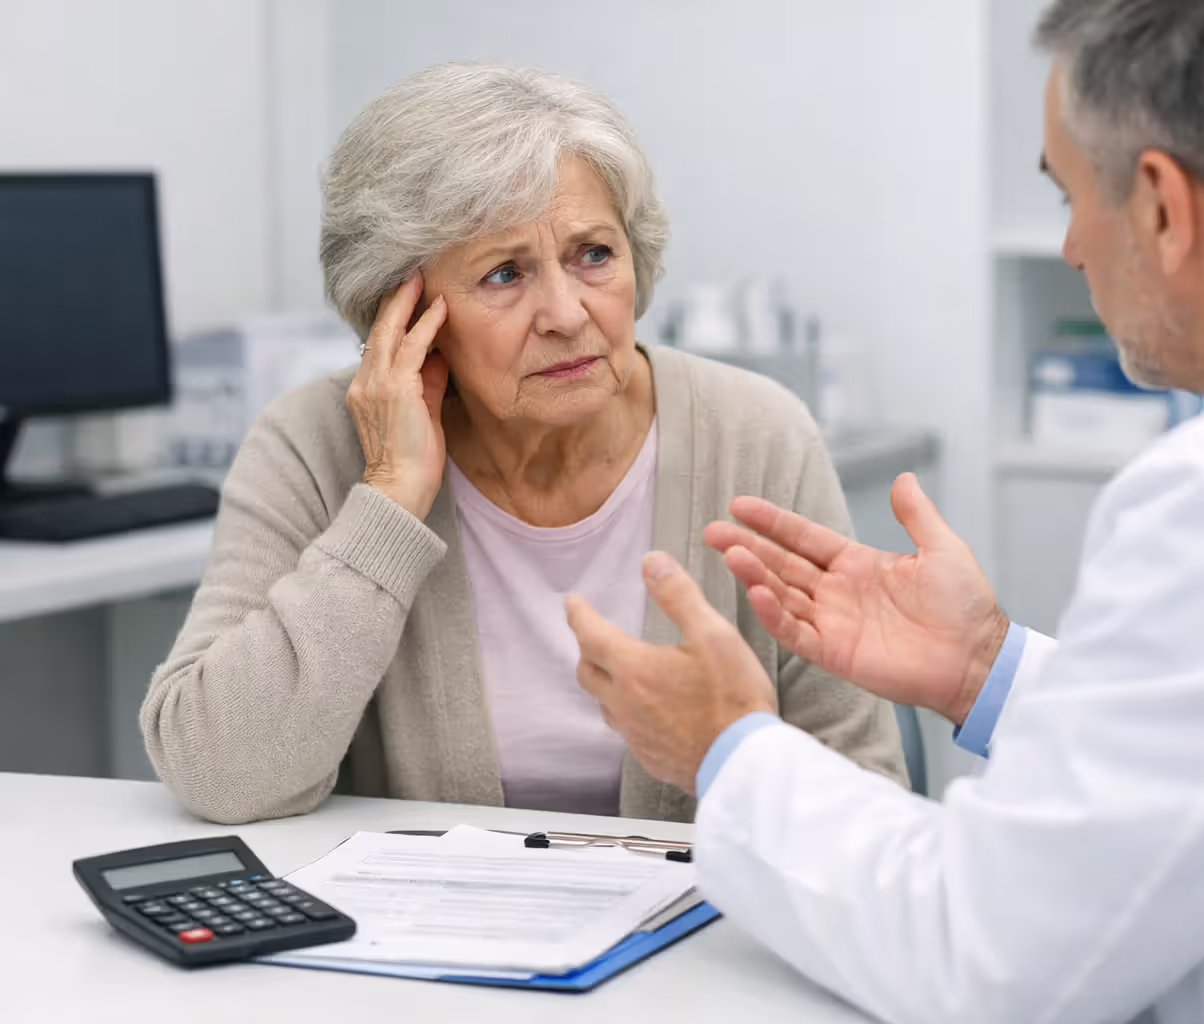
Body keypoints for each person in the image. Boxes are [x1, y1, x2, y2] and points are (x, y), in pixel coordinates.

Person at [564, 2, 1204, 1021]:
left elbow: (988, 958)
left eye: (1071, 193)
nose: (1072, 244)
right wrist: (989, 667)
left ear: (1162, 203)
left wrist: (730, 747)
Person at [141, 63, 905, 826]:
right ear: (400, 316)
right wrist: (388, 498)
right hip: (417, 932)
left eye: (594, 255)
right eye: (505, 274)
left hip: (703, 933)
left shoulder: (757, 433)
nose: (567, 313)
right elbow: (221, 775)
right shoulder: (313, 443)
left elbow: (864, 791)